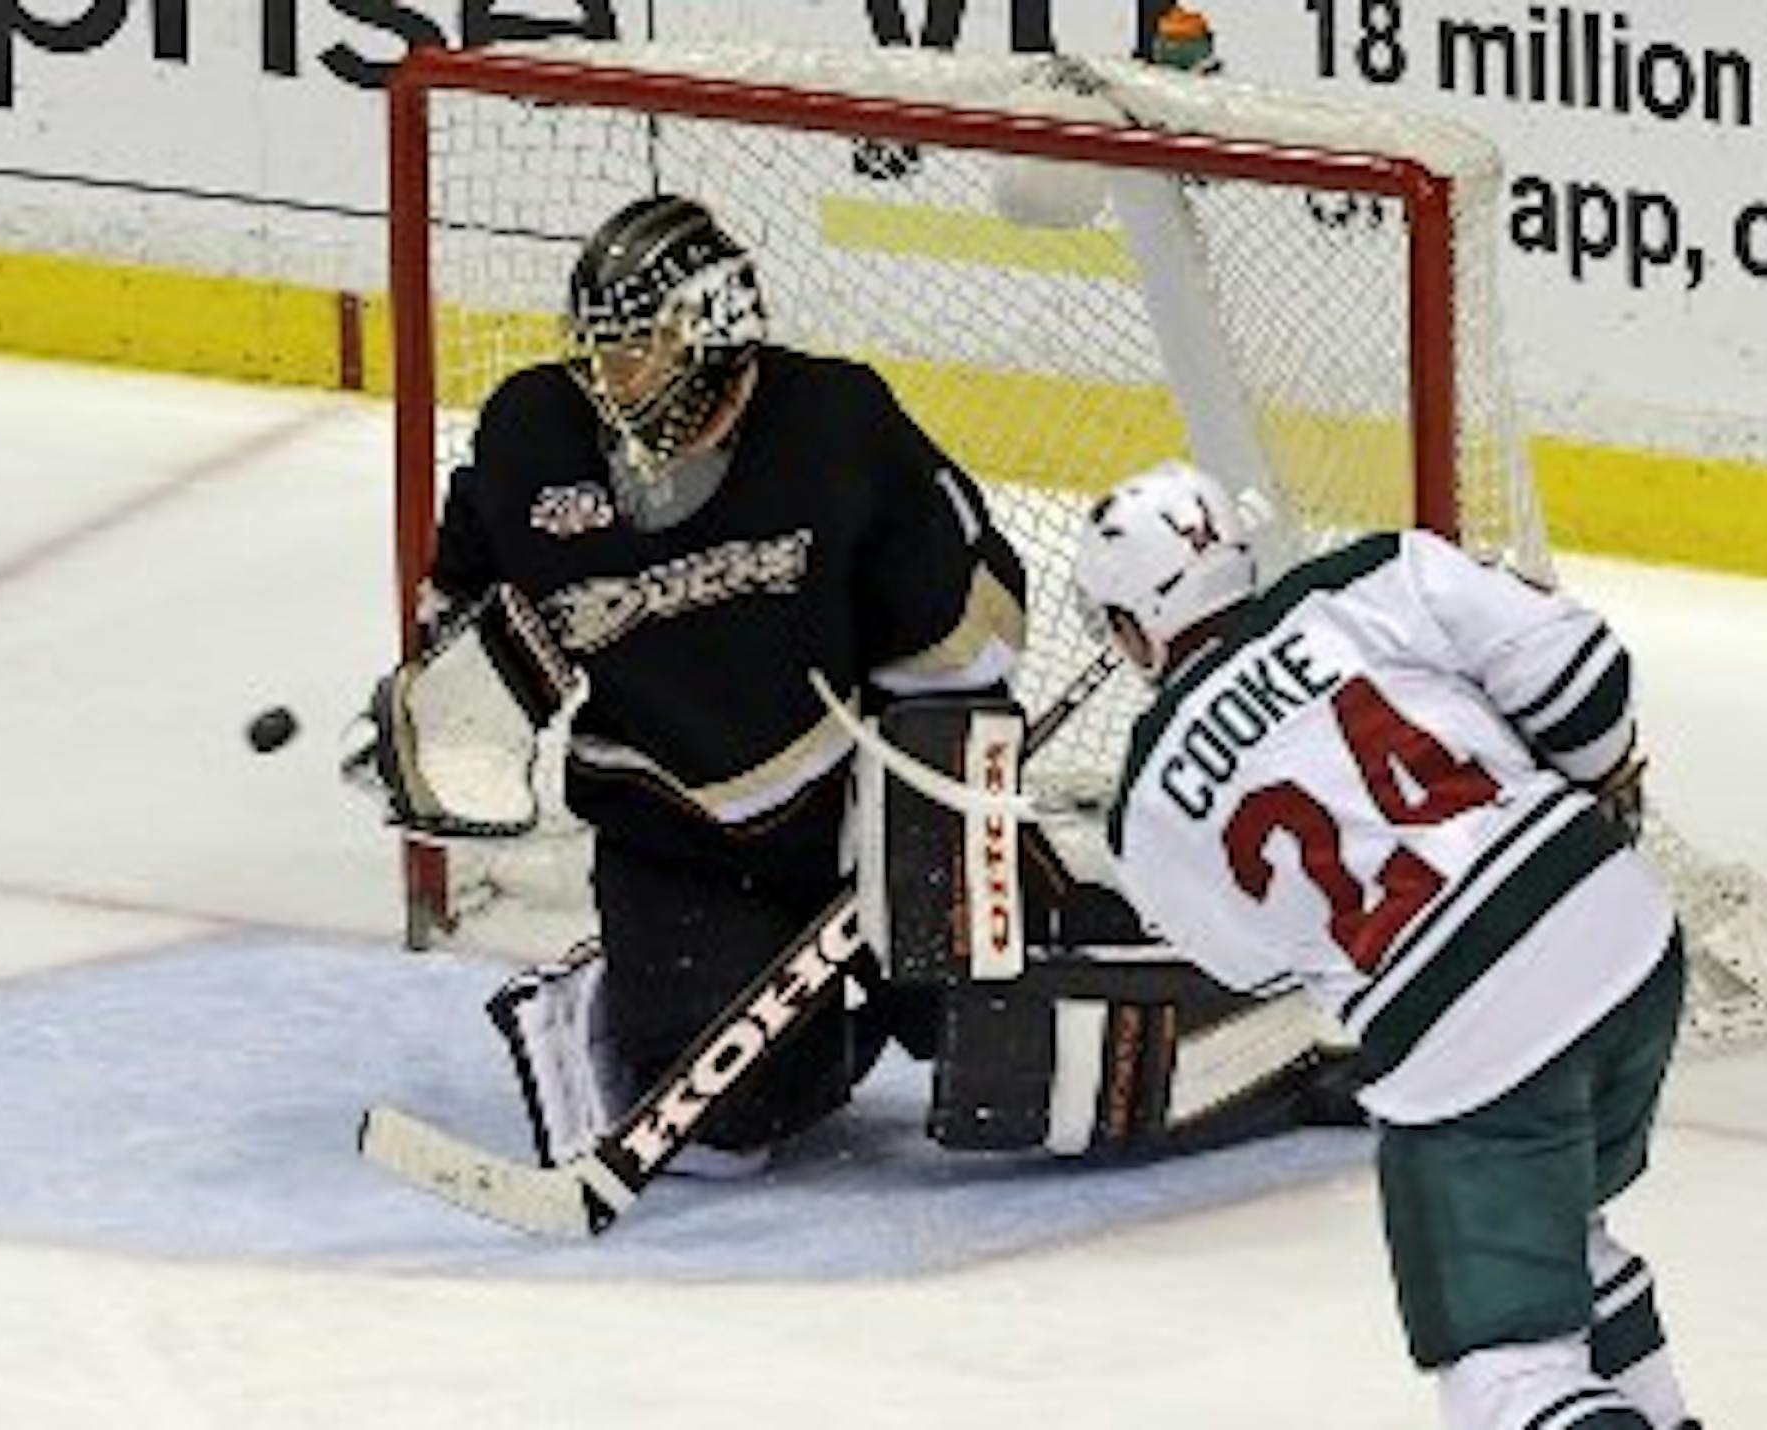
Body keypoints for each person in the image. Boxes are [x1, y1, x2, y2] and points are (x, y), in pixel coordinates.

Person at [1070, 461, 1700, 1430]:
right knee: (1563, 1244)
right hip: (1624, 937)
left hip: (1469, 1038)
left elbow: (1256, 966)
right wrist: (1592, 773)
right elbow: (1579, 677)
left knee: (1506, 1374)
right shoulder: (1372, 576)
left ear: (1128, 627)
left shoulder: (1147, 807)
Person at [424, 193, 1029, 1171]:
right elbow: (466, 613)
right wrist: (440, 722)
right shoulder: (535, 439)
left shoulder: (836, 426)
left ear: (711, 330)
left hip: (860, 808)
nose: (608, 377)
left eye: (637, 348)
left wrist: (913, 816)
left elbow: (968, 644)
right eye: (598, 347)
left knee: (1002, 1040)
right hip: (673, 834)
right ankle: (640, 996)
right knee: (735, 1126)